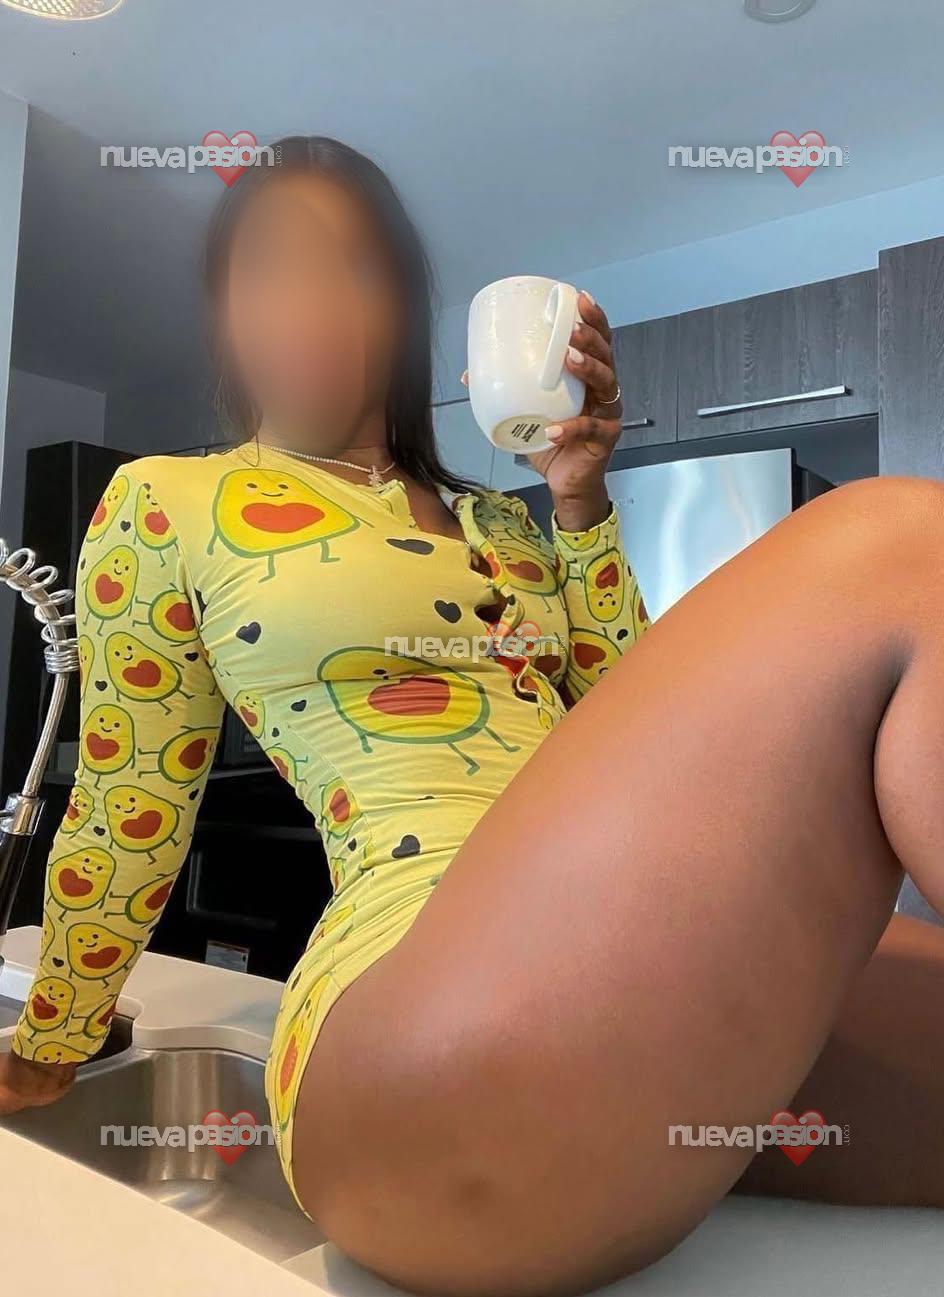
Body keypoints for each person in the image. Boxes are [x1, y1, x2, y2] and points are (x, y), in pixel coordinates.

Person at [2, 135, 944, 1297]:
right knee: (898, 540)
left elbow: (634, 734)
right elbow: (130, 799)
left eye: (352, 266)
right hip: (409, 1017)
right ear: (225, 314)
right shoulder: (168, 500)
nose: (309, 300)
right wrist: (51, 1041)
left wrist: (577, 501)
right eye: (270, 267)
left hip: (619, 961)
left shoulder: (503, 524)